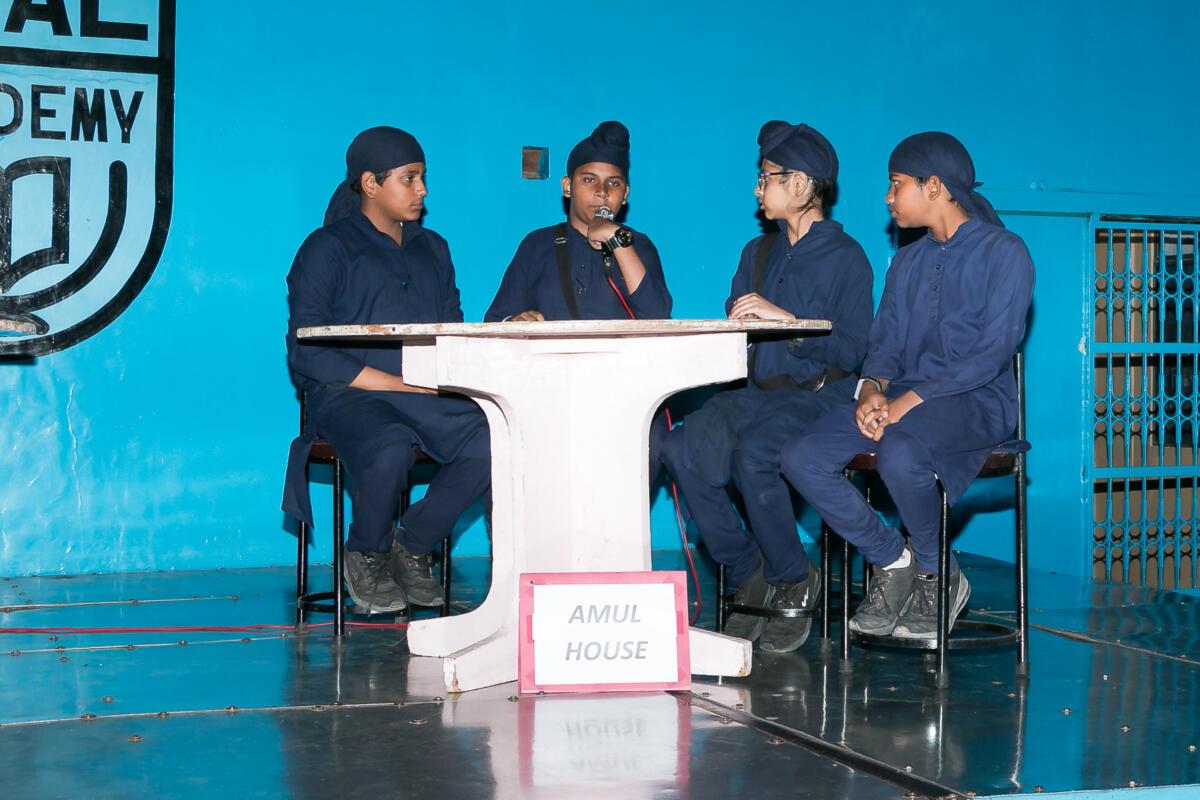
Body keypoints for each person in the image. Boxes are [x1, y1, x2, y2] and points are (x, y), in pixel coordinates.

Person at [782, 131, 1034, 640]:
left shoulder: (1005, 252)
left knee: (899, 451)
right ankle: (892, 560)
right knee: (802, 456)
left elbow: (991, 353)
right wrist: (873, 391)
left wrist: (905, 403)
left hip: (977, 400)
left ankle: (937, 573)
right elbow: (884, 346)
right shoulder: (907, 261)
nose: (888, 197)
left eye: (897, 184)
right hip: (905, 401)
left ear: (934, 186)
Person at [659, 121, 873, 653]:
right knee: (679, 447)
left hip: (818, 394)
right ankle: (747, 569)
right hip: (754, 393)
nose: (758, 189)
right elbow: (736, 330)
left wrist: (791, 325)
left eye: (766, 178)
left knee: (756, 453)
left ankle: (793, 576)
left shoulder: (847, 258)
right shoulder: (756, 253)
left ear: (800, 184)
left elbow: (853, 351)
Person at [282, 126, 490, 614]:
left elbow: (450, 331)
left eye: (423, 178)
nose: (423, 190)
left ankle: (412, 546)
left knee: (494, 438)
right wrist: (399, 384)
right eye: (409, 178)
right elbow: (306, 351)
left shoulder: (433, 248)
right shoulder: (326, 248)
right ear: (371, 184)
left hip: (423, 393)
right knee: (389, 445)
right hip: (348, 395)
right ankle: (366, 552)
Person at [485, 120, 672, 476]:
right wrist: (517, 323)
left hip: (625, 395)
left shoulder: (639, 246)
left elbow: (658, 314)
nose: (602, 192)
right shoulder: (537, 245)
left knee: (650, 449)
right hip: (548, 394)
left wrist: (617, 242)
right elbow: (495, 322)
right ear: (568, 187)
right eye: (589, 180)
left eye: (613, 183)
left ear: (625, 194)